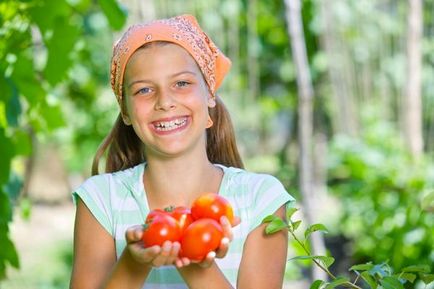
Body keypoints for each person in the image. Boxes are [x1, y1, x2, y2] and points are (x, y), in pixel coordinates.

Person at [70, 14, 295, 289]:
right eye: (144, 90)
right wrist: (133, 262)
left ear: (210, 94)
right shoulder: (100, 200)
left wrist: (194, 261)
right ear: (126, 111)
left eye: (182, 83)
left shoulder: (261, 199)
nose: (165, 102)